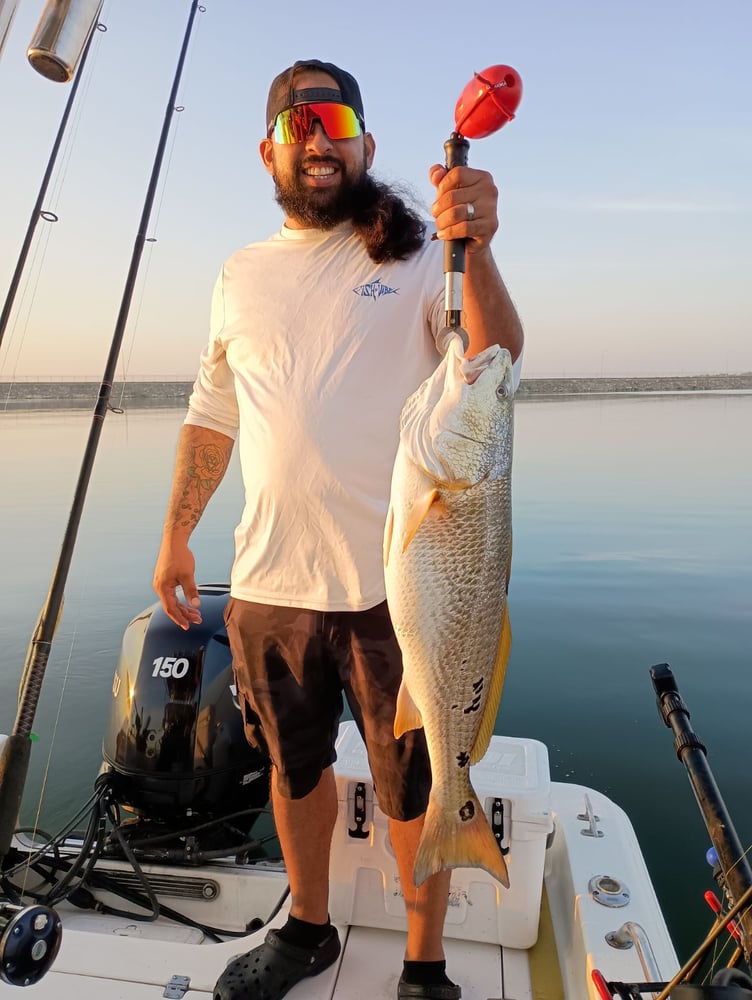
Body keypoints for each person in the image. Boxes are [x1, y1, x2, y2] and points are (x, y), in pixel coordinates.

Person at [153, 59, 523, 1000]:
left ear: (365, 143)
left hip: (396, 585)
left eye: (335, 118)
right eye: (297, 123)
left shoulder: (413, 258)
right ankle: (307, 931)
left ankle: (424, 961)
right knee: (293, 765)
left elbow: (494, 355)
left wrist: (470, 241)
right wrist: (176, 533)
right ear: (270, 151)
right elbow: (213, 411)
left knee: (412, 777)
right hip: (270, 578)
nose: (316, 136)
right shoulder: (239, 274)